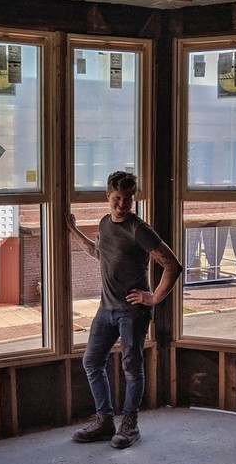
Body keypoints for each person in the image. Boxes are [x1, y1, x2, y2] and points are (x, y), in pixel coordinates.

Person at [66, 171, 182, 449]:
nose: (122, 205)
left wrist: (153, 298)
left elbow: (173, 265)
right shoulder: (105, 223)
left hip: (132, 311)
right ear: (108, 197)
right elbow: (97, 253)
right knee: (92, 362)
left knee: (132, 367)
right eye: (117, 198)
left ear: (134, 199)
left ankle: (130, 425)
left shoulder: (139, 229)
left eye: (127, 200)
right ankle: (105, 421)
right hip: (106, 309)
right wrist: (72, 229)